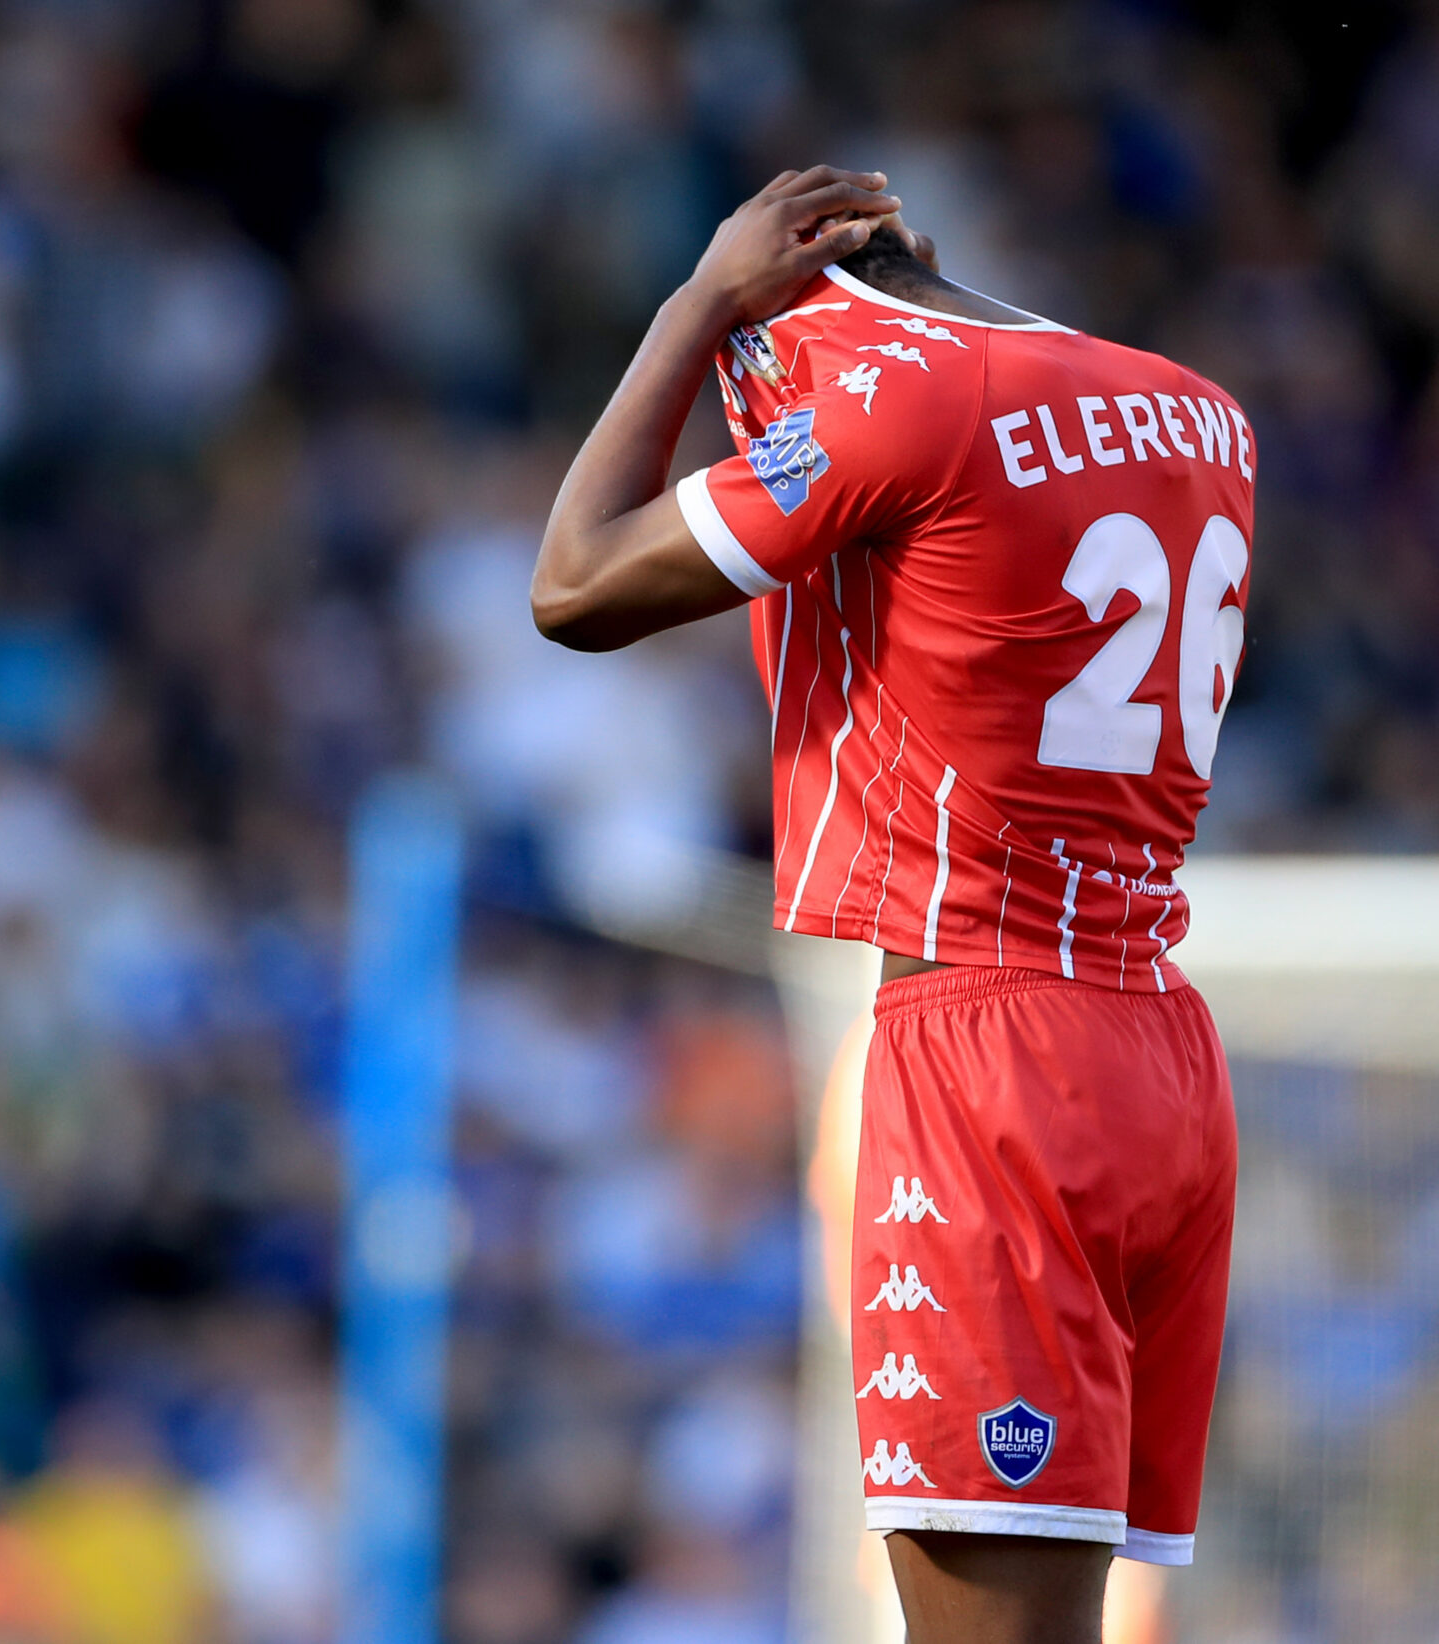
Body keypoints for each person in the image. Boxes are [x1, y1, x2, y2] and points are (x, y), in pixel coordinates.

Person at [532, 167, 1252, 1644]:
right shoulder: (1201, 412)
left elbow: (574, 584)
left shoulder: (901, 401)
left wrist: (697, 307)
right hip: (1162, 1050)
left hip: (989, 1057)